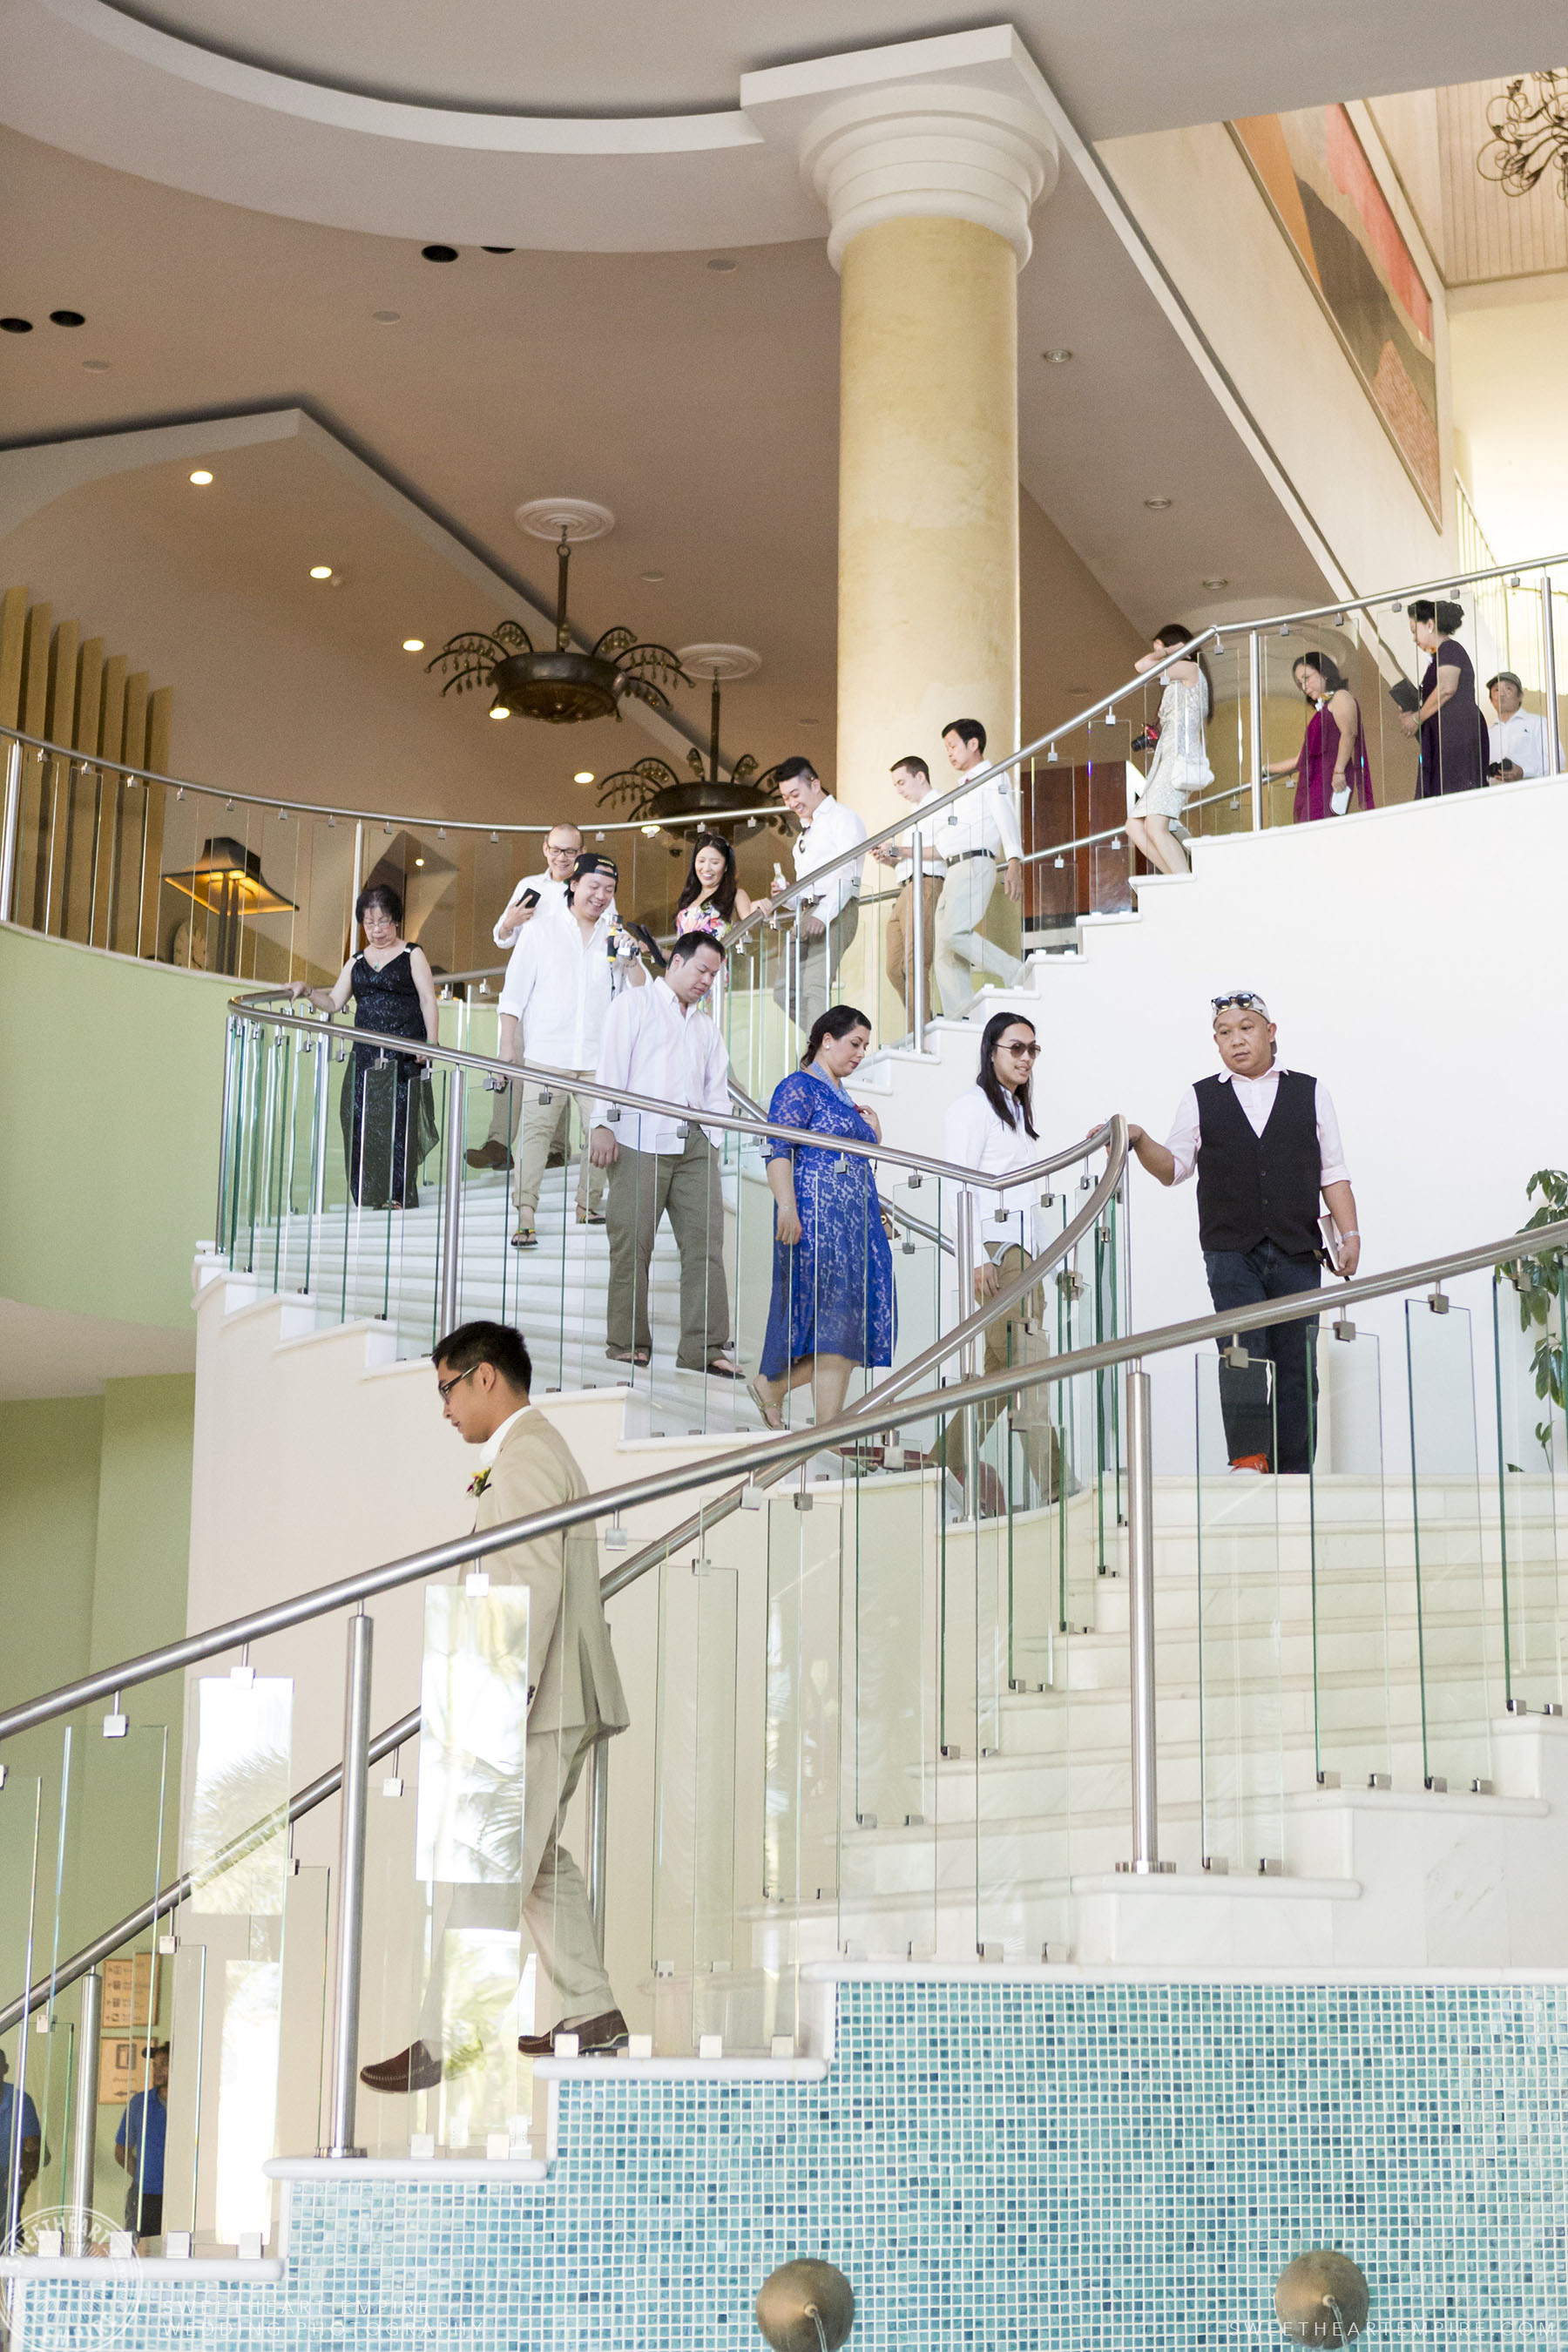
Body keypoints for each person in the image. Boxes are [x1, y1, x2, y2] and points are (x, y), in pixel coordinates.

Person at [361, 1321, 631, 2089]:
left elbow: (531, 1579)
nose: (443, 1408)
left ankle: (446, 2036)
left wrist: (507, 1696)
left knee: (487, 1862)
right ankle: (592, 2008)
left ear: (484, 1377)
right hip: (544, 1692)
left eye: (447, 1389)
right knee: (535, 1863)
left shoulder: (527, 1454)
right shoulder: (521, 1453)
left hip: (535, 1698)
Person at [1124, 991, 1361, 1476]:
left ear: (1270, 1032)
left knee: (1298, 1366)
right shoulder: (1200, 1095)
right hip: (1231, 1251)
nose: (1236, 1040)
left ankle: (1295, 1473)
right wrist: (1140, 1140)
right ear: (1216, 1043)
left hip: (1298, 1250)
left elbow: (1332, 1173)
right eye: (1225, 1033)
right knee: (1240, 1355)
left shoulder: (1310, 1091)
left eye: (1246, 1028)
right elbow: (1173, 1169)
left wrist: (1350, 1235)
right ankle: (1250, 1462)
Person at [591, 932, 740, 1377]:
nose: (707, 981)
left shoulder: (705, 1025)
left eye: (714, 975)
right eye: (702, 970)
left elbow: (717, 1089)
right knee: (631, 1244)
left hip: (695, 1143)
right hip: (638, 1138)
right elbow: (610, 1070)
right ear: (676, 962)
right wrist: (601, 1123)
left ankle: (704, 1347)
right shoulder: (633, 1006)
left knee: (706, 1248)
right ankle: (627, 1342)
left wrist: (712, 1137)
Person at [751, 1006, 894, 1433]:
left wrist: (876, 1135)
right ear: (826, 1039)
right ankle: (786, 1397)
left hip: (855, 1220)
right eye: (855, 1043)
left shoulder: (846, 1098)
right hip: (815, 1217)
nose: (861, 1054)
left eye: (866, 1046)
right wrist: (787, 1206)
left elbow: (856, 1159)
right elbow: (779, 1151)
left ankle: (800, 1410)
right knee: (824, 1319)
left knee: (849, 1322)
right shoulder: (799, 1087)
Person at [943, 1011, 1061, 1505]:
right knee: (1027, 1365)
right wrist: (974, 1256)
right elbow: (954, 1182)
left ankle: (941, 1462)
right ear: (992, 1050)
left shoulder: (1014, 1111)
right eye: (1016, 1048)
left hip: (1024, 1256)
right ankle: (1055, 1486)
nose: (1026, 1057)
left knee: (999, 1371)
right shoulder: (972, 1108)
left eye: (1033, 1049)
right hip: (997, 1253)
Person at [497, 853, 644, 1251]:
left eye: (609, 890)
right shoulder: (541, 929)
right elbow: (513, 993)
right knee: (535, 1136)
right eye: (593, 887)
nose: (600, 896)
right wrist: (507, 1048)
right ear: (573, 884)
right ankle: (526, 1212)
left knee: (602, 1133)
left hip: (598, 1059)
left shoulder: (614, 935)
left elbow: (640, 991)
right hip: (547, 1055)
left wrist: (631, 957)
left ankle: (588, 1204)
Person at [290, 882, 439, 1209]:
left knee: (400, 1122)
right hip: (367, 1055)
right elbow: (332, 1003)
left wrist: (430, 1044)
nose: (376, 930)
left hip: (404, 1053)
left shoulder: (412, 954)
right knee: (360, 1120)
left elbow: (429, 1000)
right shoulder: (356, 960)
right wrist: (307, 990)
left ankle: (398, 1194)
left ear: (395, 920)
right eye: (369, 923)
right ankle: (370, 1195)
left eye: (383, 921)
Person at [470, 823, 586, 1171]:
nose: (561, 857)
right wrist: (509, 921)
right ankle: (499, 1142)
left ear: (580, 852)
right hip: (528, 992)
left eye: (569, 851)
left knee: (560, 1068)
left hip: (568, 995)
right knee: (511, 1061)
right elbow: (503, 937)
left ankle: (555, 1149)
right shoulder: (530, 886)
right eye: (556, 849)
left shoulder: (588, 887)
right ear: (545, 848)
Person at [930, 720, 1024, 1017]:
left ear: (973, 744)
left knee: (956, 933)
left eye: (953, 746)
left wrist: (1014, 860)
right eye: (947, 748)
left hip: (975, 862)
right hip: (954, 868)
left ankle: (1016, 972)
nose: (950, 753)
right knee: (944, 950)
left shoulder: (991, 775)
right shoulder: (963, 784)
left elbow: (1005, 816)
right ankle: (960, 1015)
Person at [769, 759, 867, 1036]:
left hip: (837, 908)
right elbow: (806, 886)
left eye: (795, 794)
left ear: (815, 784)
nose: (791, 803)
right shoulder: (805, 833)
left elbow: (848, 875)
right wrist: (787, 895)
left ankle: (820, 1057)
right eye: (786, 797)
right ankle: (833, 1041)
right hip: (806, 911)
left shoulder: (843, 818)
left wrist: (823, 914)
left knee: (814, 984)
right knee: (783, 992)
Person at [1125, 624, 1213, 876]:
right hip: (1167, 754)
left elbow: (1141, 667)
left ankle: (1184, 883)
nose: (1157, 654)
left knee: (1155, 825)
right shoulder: (1178, 679)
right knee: (1134, 826)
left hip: (1180, 756)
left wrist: (1169, 652)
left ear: (1180, 647)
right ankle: (1178, 879)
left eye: (1161, 648)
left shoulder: (1191, 668)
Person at [869, 755, 945, 1021]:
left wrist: (899, 849)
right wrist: (891, 859)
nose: (899, 789)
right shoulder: (913, 812)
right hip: (906, 887)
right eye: (896, 785)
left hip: (926, 883)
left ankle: (921, 1029)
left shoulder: (940, 804)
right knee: (894, 968)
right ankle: (924, 1021)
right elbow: (910, 859)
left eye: (901, 782)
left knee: (915, 961)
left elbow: (942, 850)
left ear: (920, 777)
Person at [1267, 653, 1374, 821]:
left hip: (1332, 778)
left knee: (1316, 826)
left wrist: (1338, 771)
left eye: (1307, 678)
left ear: (1324, 672)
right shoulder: (1323, 708)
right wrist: (1267, 769)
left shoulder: (1341, 696)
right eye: (1300, 683)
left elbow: (1349, 733)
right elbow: (1301, 759)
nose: (1304, 686)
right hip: (1319, 779)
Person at [1401, 600, 1488, 795]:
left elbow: (1447, 688)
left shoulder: (1449, 649)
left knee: (1453, 789)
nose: (1414, 638)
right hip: (1445, 734)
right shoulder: (1440, 656)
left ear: (1430, 624)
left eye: (1415, 630)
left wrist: (1417, 718)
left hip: (1456, 732)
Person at [114, 2041, 168, 2242]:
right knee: (137, 2254)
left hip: (180, 2195)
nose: (157, 2070)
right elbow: (121, 2151)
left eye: (164, 2064)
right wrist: (141, 2175)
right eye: (155, 2065)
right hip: (144, 2195)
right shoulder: (140, 2103)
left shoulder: (190, 2104)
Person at [674, 832, 754, 940]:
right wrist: (655, 949)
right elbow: (681, 954)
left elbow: (752, 923)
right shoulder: (689, 898)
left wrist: (757, 907)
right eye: (701, 861)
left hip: (718, 956)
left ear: (726, 866)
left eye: (715, 863)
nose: (706, 868)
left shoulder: (735, 895)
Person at [1485, 672, 1549, 782]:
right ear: (1491, 699)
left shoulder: (1538, 723)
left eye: (1508, 689)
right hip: (1496, 796)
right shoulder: (1486, 733)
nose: (1501, 694)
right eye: (1496, 690)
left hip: (1531, 793)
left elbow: (1557, 762)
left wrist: (1524, 772)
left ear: (1520, 696)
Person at [0, 2047, 41, 2219]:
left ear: (6, 2068)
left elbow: (32, 2145)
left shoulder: (20, 2100)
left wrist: (20, 2176)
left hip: (9, 2173)